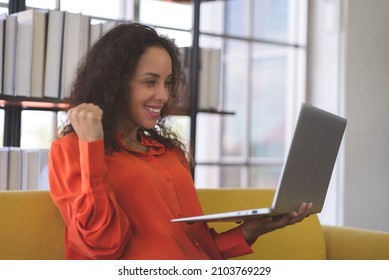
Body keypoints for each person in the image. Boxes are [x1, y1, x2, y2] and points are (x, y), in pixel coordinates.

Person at [48, 23, 312, 260]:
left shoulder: (168, 153)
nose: (163, 95)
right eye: (150, 81)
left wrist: (250, 230)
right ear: (115, 83)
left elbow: (199, 250)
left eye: (168, 82)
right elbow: (102, 246)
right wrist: (92, 145)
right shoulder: (72, 150)